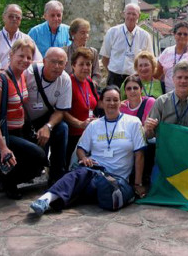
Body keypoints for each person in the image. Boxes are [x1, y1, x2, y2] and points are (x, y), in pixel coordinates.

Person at [29, 85, 147, 216]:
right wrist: (84, 158)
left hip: (115, 178)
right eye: (108, 100)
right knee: (80, 174)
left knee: (84, 184)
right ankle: (44, 200)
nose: (112, 103)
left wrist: (137, 183)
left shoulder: (133, 123)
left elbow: (139, 155)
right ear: (101, 103)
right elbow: (81, 149)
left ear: (121, 102)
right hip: (93, 171)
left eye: (115, 100)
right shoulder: (94, 125)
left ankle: (57, 199)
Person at [0, 39, 47, 199]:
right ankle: (6, 181)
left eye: (28, 57)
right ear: (11, 55)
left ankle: (3, 181)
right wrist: (3, 147)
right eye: (21, 56)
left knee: (36, 164)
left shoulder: (22, 77)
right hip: (6, 133)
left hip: (20, 130)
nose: (25, 60)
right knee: (39, 156)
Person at [24, 47, 72, 185]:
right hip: (24, 119)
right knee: (35, 162)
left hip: (45, 117)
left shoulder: (65, 80)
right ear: (44, 61)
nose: (57, 66)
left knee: (62, 128)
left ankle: (57, 176)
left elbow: (60, 111)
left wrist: (48, 126)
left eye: (61, 63)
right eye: (53, 62)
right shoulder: (29, 73)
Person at [145, 61, 188, 138]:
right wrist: (148, 129)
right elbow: (149, 136)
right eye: (179, 77)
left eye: (187, 77)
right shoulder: (161, 102)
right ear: (173, 79)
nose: (183, 81)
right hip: (168, 149)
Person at [100, 3, 153, 88]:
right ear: (123, 14)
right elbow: (105, 58)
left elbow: (150, 60)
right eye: (128, 13)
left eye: (134, 14)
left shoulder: (145, 36)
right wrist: (113, 71)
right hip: (114, 78)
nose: (131, 17)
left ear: (138, 16)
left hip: (135, 79)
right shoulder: (112, 32)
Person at [64, 47, 99, 164]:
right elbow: (62, 112)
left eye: (88, 64)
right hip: (74, 135)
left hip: (90, 134)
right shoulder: (68, 83)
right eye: (81, 64)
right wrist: (80, 124)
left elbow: (97, 103)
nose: (85, 68)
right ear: (73, 65)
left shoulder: (89, 81)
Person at [0, 4, 42, 68]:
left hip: (22, 76)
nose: (14, 19)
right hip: (0, 76)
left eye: (17, 17)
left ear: (20, 20)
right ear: (3, 17)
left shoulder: (27, 39)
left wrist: (25, 64)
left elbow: (39, 61)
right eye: (11, 16)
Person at [156, 22, 188, 93]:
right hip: (170, 96)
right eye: (179, 34)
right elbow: (157, 74)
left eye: (185, 34)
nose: (182, 36)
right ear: (174, 35)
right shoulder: (167, 52)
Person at [64, 18, 101, 86]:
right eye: (82, 33)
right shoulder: (64, 52)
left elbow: (97, 74)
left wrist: (92, 84)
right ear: (73, 33)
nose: (86, 36)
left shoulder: (93, 52)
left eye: (87, 33)